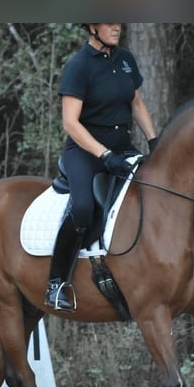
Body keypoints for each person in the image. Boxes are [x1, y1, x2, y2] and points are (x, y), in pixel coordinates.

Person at [44, 23, 158, 312]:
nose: (116, 27)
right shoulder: (78, 66)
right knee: (82, 207)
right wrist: (104, 154)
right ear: (92, 27)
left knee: (154, 190)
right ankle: (56, 283)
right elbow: (70, 123)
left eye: (118, 22)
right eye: (109, 22)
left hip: (122, 148)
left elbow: (138, 103)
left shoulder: (125, 59)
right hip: (85, 152)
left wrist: (155, 141)